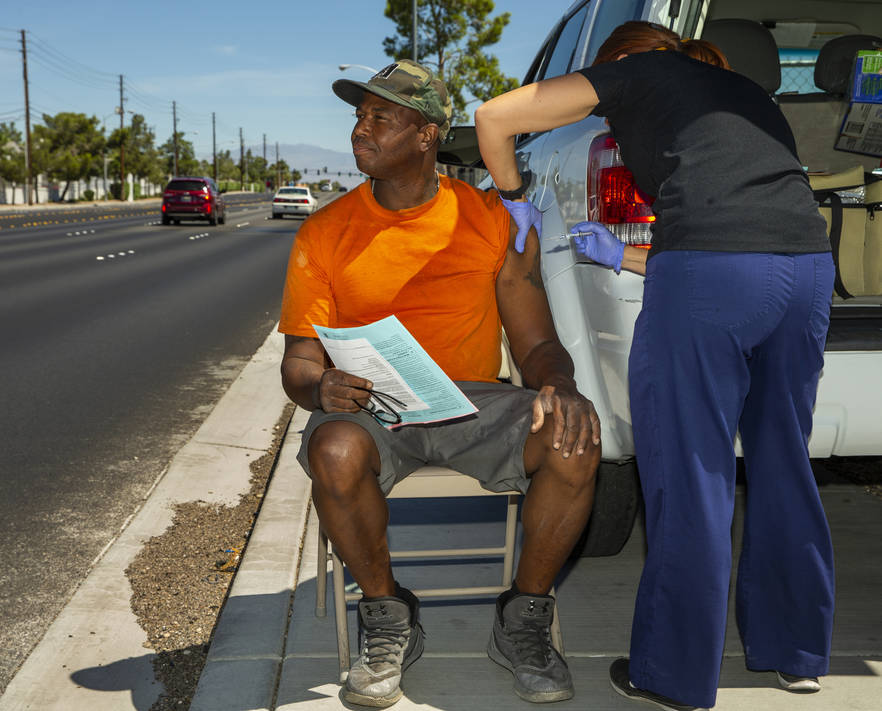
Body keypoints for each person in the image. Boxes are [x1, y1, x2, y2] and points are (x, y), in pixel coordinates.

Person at [475, 20, 835, 711]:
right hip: (805, 273)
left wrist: (514, 198)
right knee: (783, 460)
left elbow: (494, 117)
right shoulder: (744, 92)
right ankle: (794, 652)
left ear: (618, 64)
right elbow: (732, 235)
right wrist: (621, 256)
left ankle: (672, 673)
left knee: (691, 475)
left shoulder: (635, 74)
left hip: (712, 281)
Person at [278, 59, 601, 708]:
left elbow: (534, 340)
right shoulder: (324, 233)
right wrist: (322, 390)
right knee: (334, 451)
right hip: (373, 407)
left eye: (380, 118)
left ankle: (522, 618)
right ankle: (388, 613)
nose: (360, 131)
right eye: (358, 118)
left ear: (427, 134)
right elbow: (298, 363)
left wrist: (560, 383)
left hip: (470, 402)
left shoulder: (487, 218)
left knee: (574, 437)